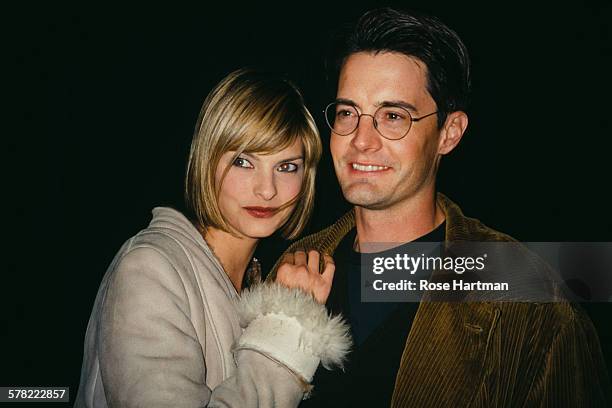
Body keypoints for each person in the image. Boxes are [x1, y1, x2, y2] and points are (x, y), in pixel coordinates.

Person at [268, 8, 611, 407]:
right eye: (348, 113)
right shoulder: (289, 268)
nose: (361, 140)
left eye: (393, 116)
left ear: (449, 133)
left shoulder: (531, 304)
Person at [74, 69, 351, 408]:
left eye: (287, 166)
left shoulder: (254, 280)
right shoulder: (149, 268)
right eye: (243, 161)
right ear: (206, 160)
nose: (267, 189)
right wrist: (286, 324)